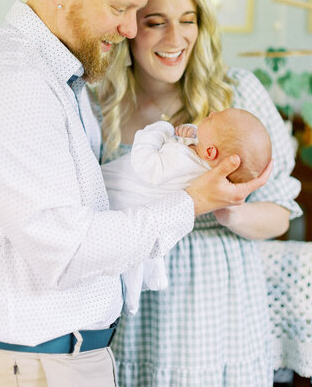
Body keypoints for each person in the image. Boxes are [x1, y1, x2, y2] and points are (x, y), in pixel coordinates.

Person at [0, 0, 271, 387]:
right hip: (28, 369)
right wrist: (190, 201)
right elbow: (65, 251)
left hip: (61, 363)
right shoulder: (14, 86)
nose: (129, 28)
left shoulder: (63, 79)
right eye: (121, 8)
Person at [96, 0, 302, 387]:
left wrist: (227, 209)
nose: (175, 37)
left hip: (218, 304)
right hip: (135, 300)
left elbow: (281, 214)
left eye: (187, 19)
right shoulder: (100, 105)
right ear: (129, 27)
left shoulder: (238, 94)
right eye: (156, 22)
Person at [102, 110, 272, 315]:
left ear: (210, 152)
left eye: (211, 119)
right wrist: (191, 133)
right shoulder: (204, 169)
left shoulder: (180, 161)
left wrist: (160, 130)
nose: (211, 112)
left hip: (112, 196)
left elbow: (146, 163)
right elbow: (196, 148)